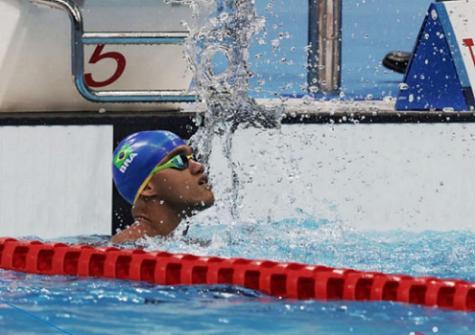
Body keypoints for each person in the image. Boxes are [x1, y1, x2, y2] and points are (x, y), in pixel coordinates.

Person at [111, 130, 215, 243]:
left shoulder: (190, 242)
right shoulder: (127, 248)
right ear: (147, 187)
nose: (199, 166)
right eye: (180, 160)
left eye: (192, 158)